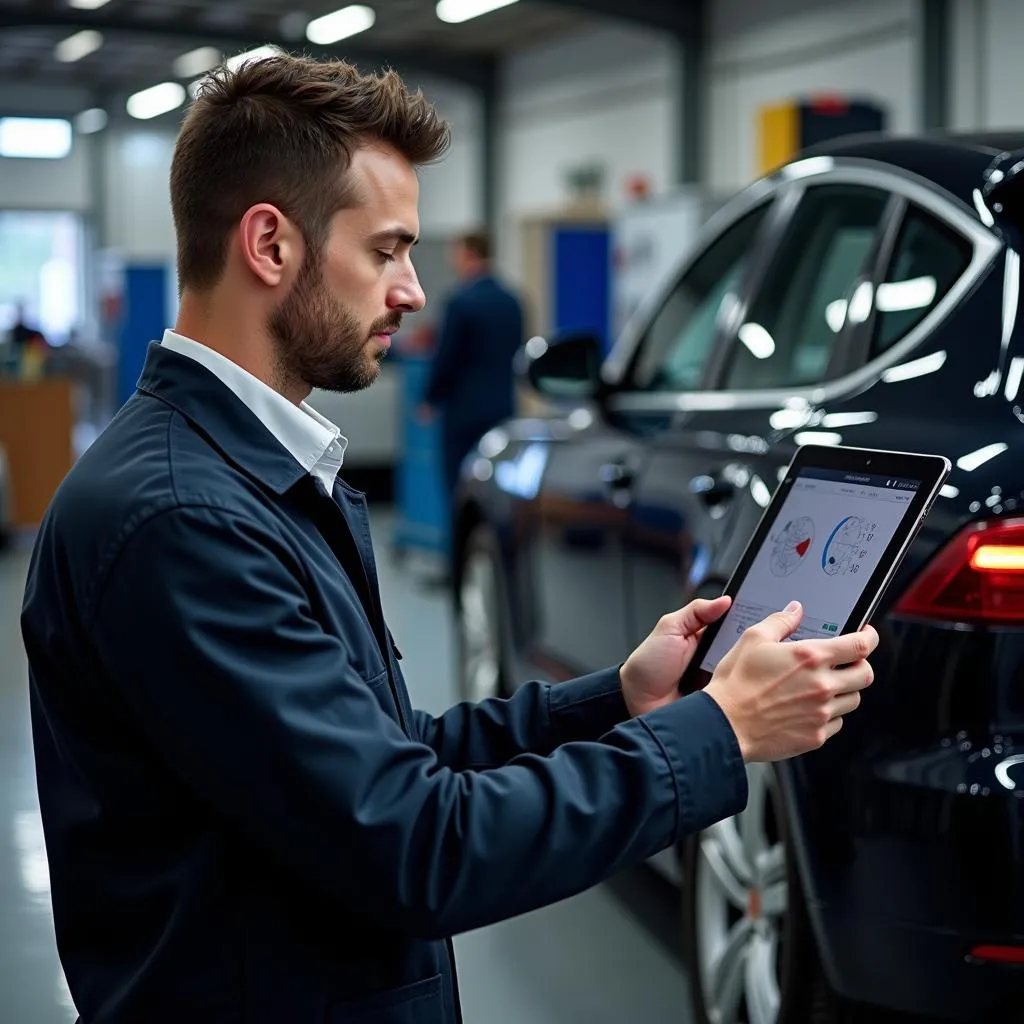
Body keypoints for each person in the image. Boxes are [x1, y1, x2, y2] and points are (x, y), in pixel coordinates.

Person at [20, 55, 877, 1024]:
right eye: (386, 250)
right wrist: (715, 733)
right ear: (270, 243)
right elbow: (416, 845)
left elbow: (386, 760)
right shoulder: (185, 519)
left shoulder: (240, 480)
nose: (413, 290)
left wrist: (620, 700)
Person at [419, 230, 523, 500]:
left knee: (459, 488)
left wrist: (431, 398)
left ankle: (460, 541)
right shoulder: (513, 301)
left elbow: (447, 357)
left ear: (468, 254)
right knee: (496, 487)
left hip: (463, 412)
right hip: (502, 408)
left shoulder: (460, 302)